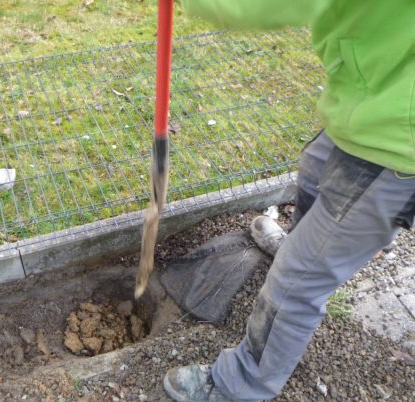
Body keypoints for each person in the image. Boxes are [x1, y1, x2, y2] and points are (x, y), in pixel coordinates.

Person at [163, 1, 415, 401]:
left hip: (397, 143)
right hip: (376, 102)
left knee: (298, 283)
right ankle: (299, 249)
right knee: (314, 172)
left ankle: (239, 385)